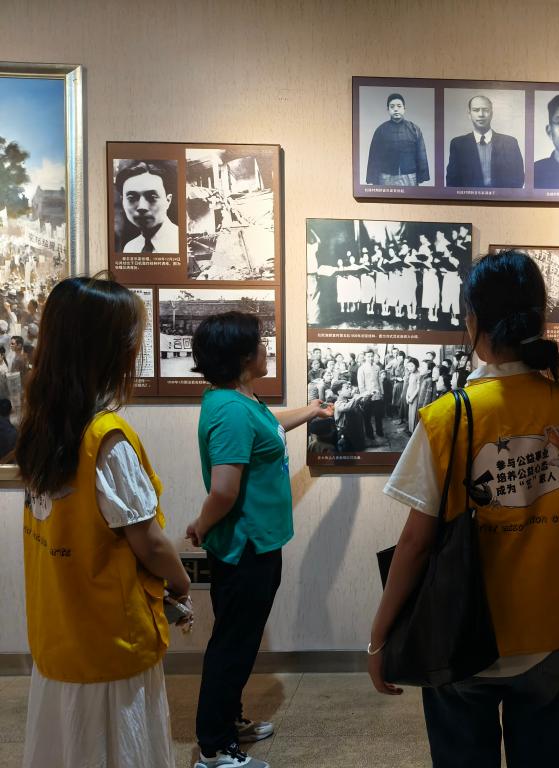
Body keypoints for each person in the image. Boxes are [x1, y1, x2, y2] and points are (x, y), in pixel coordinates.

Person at [368, 250, 559, 768]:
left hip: (465, 637)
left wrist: (378, 636)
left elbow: (415, 545)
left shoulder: (447, 418)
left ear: (473, 320)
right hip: (552, 634)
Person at [18, 275, 192, 768]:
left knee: (66, 743)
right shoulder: (106, 438)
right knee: (118, 747)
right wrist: (181, 582)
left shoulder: (42, 430)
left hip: (59, 633)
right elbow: (148, 541)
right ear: (110, 350)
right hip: (110, 640)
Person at [187, 311, 334, 768]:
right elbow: (224, 491)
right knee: (233, 645)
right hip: (244, 546)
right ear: (241, 357)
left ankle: (228, 721)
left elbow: (269, 426)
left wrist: (310, 410)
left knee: (241, 641)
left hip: (260, 542)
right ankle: (214, 747)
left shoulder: (240, 399)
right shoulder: (231, 411)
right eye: (259, 344)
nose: (265, 349)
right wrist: (201, 525)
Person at [445, 95, 525, 188]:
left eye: (485, 110)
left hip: (501, 197)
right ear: (469, 115)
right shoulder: (458, 144)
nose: (481, 114)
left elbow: (519, 179)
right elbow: (452, 182)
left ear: (491, 114)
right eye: (476, 110)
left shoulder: (510, 143)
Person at [365, 93, 431, 186]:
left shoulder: (414, 129)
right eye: (392, 106)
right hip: (386, 176)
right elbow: (374, 156)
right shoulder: (381, 130)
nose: (396, 109)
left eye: (399, 106)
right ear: (388, 109)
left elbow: (421, 154)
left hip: (409, 176)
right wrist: (373, 178)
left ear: (404, 109)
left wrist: (422, 175)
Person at [115, 161, 179, 253]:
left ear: (168, 200)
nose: (142, 207)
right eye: (131, 198)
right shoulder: (131, 248)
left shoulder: (182, 243)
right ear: (122, 201)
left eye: (152, 197)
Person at [358, 349, 386, 442]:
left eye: (372, 356)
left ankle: (379, 431)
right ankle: (369, 434)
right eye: (368, 356)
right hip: (367, 395)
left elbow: (379, 381)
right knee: (367, 416)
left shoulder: (377, 367)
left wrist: (381, 393)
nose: (370, 358)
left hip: (377, 395)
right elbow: (361, 384)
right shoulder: (361, 368)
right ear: (365, 357)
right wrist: (364, 395)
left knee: (378, 415)